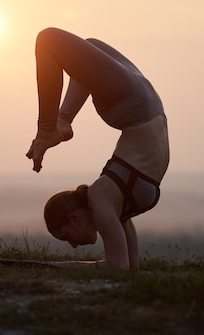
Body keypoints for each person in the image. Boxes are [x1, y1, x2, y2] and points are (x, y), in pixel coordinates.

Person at [26, 27, 169, 269]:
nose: (71, 245)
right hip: (145, 104)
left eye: (66, 236)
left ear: (74, 218)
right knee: (86, 46)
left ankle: (50, 127)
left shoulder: (101, 198)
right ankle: (63, 120)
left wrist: (57, 267)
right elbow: (129, 268)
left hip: (135, 104)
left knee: (47, 39)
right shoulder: (114, 205)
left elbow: (116, 268)